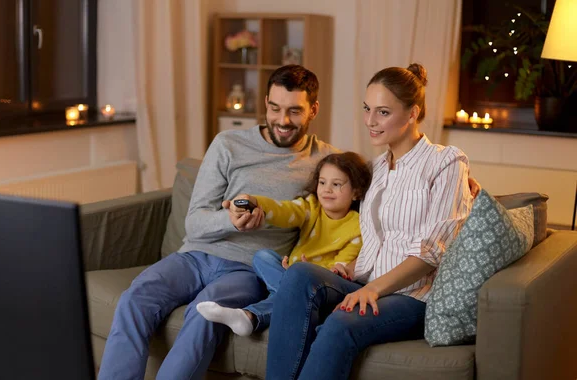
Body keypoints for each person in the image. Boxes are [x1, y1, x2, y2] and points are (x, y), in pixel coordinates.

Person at [97, 64, 338, 380]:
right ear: (265, 102)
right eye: (275, 108)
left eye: (294, 111)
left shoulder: (325, 162)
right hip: (195, 256)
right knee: (134, 299)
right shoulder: (229, 145)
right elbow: (194, 223)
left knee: (205, 312)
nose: (282, 120)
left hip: (248, 268)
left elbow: (341, 214)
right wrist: (231, 220)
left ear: (313, 110)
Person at [265, 63, 475, 380]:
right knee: (298, 275)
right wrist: (348, 270)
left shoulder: (446, 162)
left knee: (341, 321)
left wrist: (374, 289)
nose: (370, 122)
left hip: (413, 297)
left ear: (412, 113)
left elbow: (432, 251)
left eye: (383, 112)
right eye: (367, 109)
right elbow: (375, 241)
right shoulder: (374, 169)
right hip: (365, 283)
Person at [196, 152, 373, 336]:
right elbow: (284, 211)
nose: (326, 189)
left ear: (356, 192)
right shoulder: (311, 207)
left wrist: (308, 270)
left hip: (319, 284)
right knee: (262, 256)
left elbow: (340, 269)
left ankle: (251, 315)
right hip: (290, 274)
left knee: (295, 286)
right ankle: (258, 314)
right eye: (322, 182)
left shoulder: (357, 227)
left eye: (336, 184)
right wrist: (254, 202)